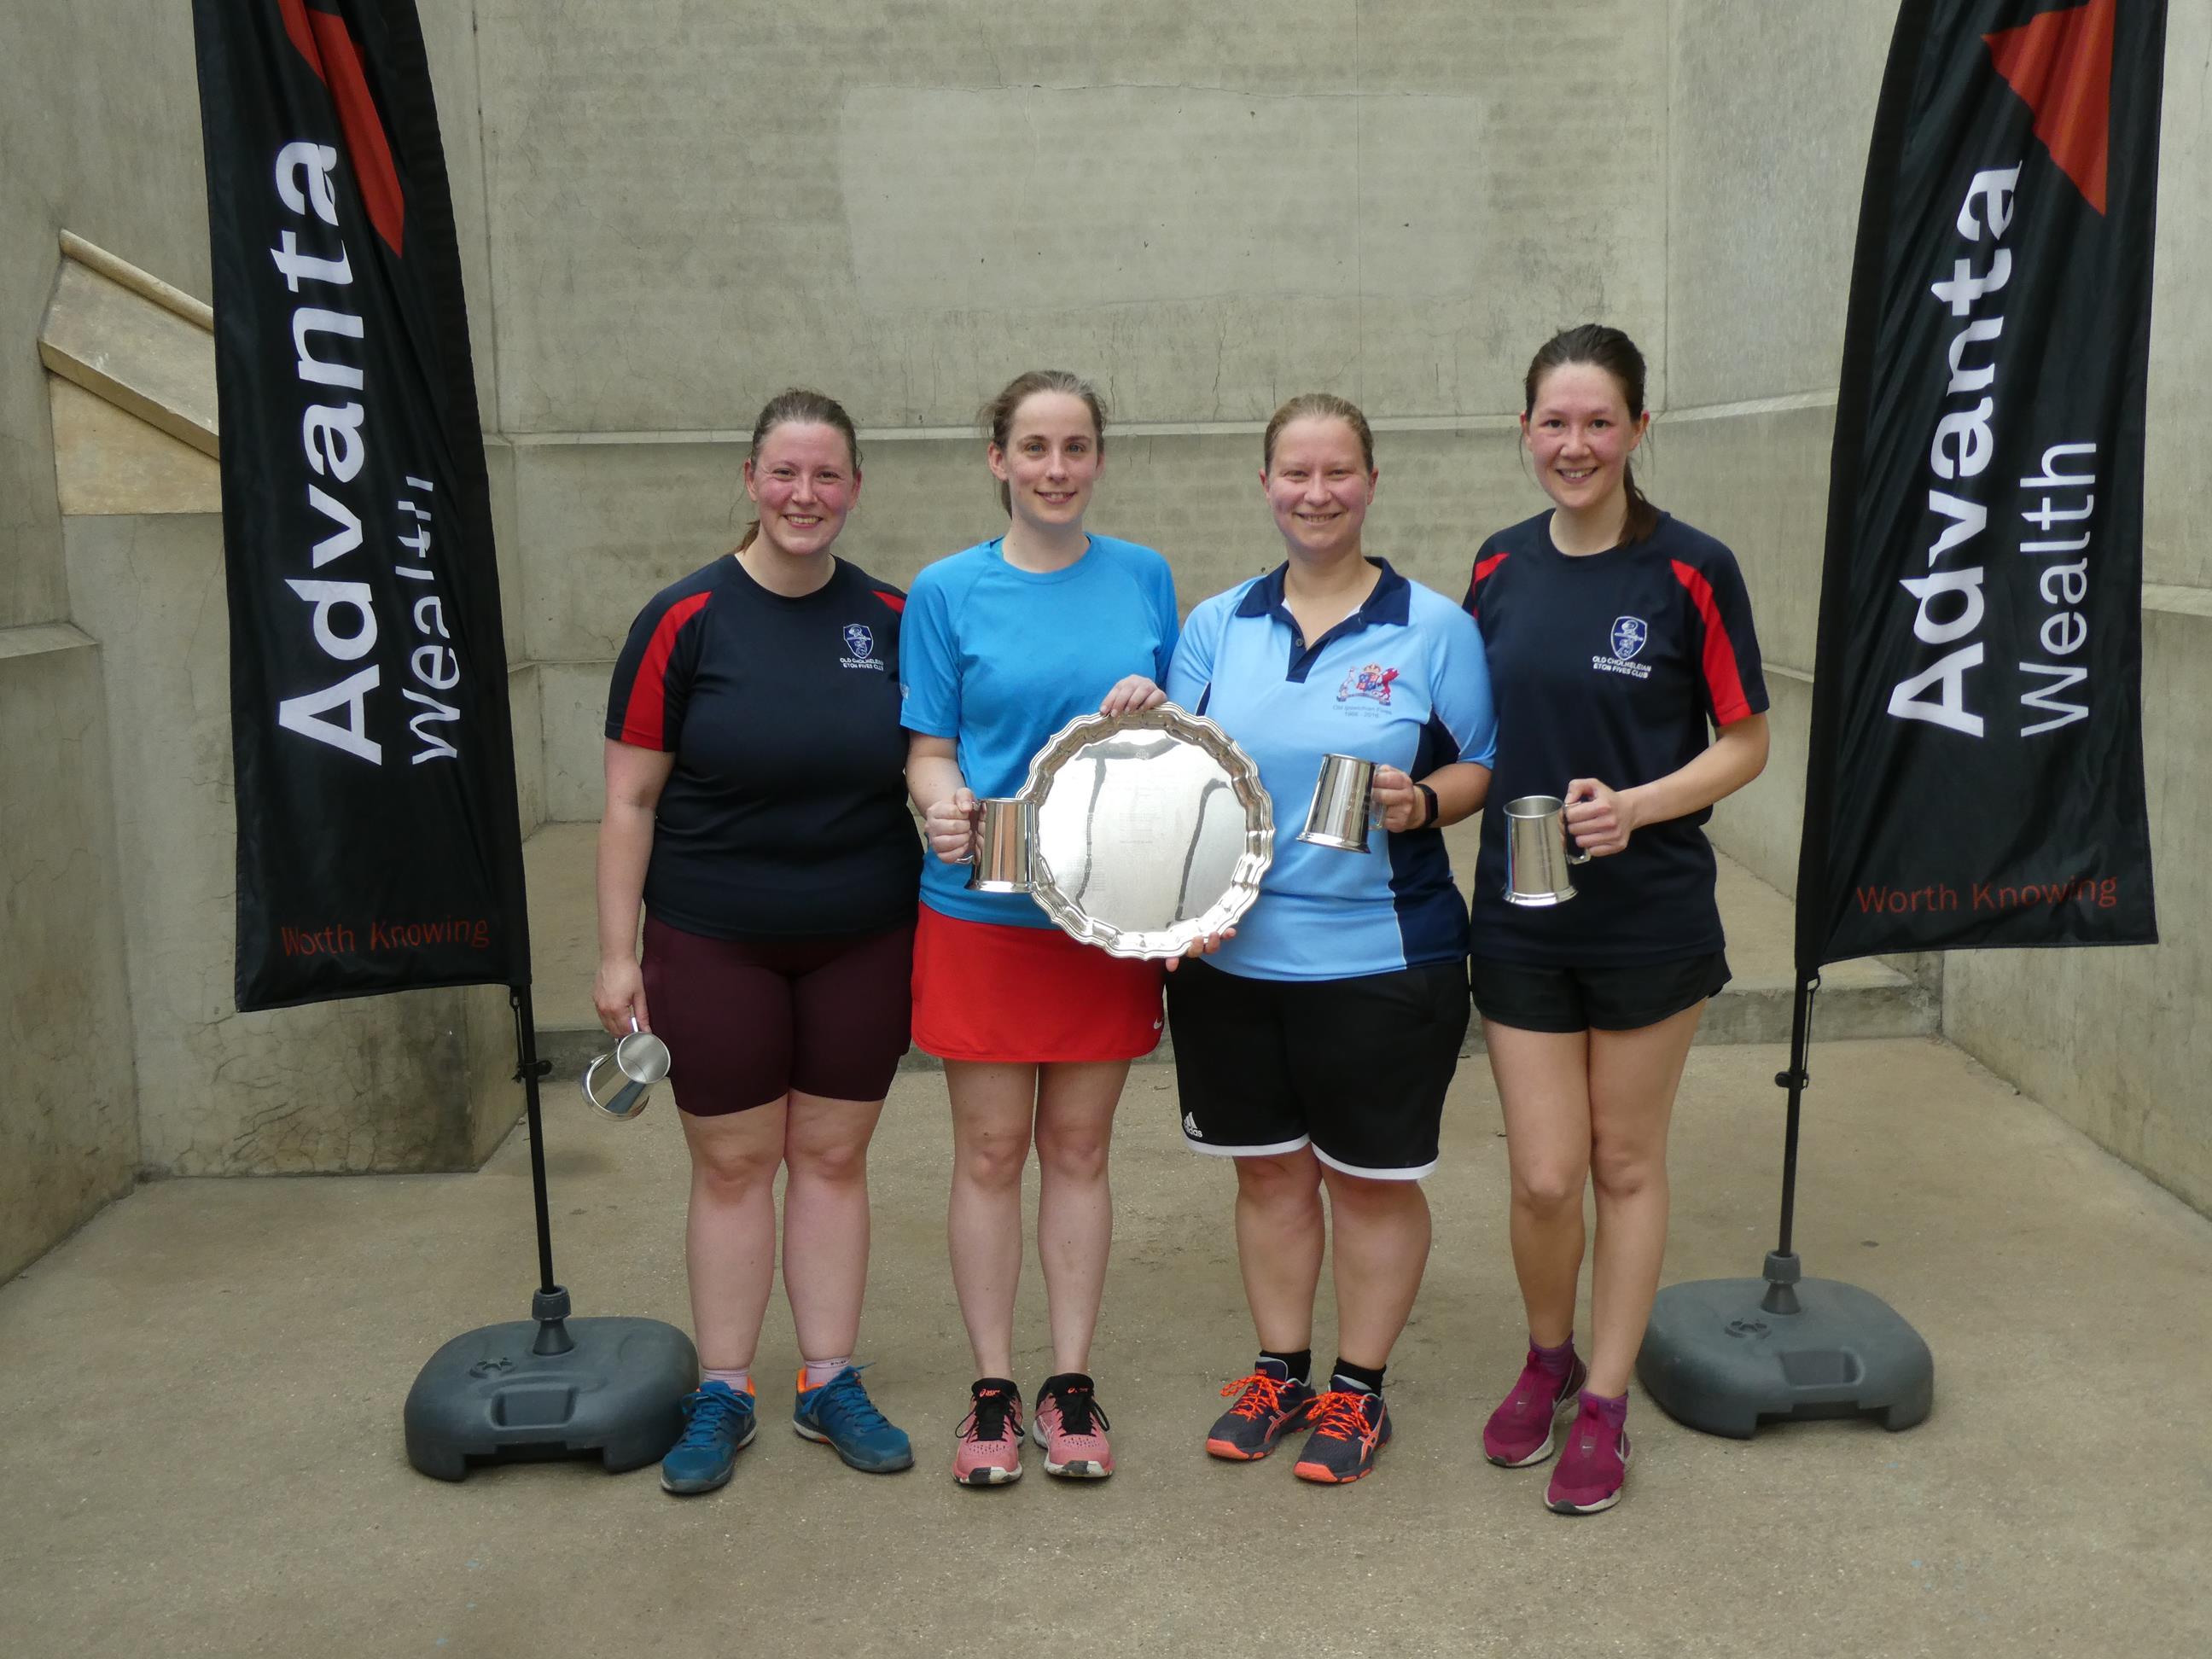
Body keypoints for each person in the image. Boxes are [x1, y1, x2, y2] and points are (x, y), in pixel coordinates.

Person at [1464, 324, 1770, 1515]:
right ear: (1526, 429)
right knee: (1545, 1177)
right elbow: (1474, 744)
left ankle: (1603, 1401)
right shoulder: (1494, 569)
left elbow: (1746, 743)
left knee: (1623, 1160)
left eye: (1600, 422)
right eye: (1555, 421)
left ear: (1640, 430)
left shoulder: (1693, 569)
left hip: (1647, 917)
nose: (1575, 444)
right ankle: (1545, 1361)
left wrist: (1638, 806)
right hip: (1521, 913)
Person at [1163, 393, 1497, 1485]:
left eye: (1338, 472)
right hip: (1234, 964)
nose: (1317, 493)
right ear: (1264, 484)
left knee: (1368, 1183)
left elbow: (1480, 768)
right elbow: (1179, 782)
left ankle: (1359, 1392)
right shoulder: (1216, 625)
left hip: (1384, 961)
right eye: (1295, 474)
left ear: (1370, 482)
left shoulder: (1434, 628)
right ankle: (1280, 1373)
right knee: (1267, 1179)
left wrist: (1424, 803)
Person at [596, 389, 922, 1495]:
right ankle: (725, 1388)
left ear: (855, 490)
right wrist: (615, 953)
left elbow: (939, 761)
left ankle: (827, 1379)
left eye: (827, 475)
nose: (805, 495)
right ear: (750, 480)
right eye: (785, 473)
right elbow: (630, 801)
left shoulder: (890, 617)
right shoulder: (684, 620)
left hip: (864, 937)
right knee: (736, 1167)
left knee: (832, 1158)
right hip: (713, 938)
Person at [901, 369, 1179, 1485]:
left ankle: (1070, 1383)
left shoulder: (1147, 579)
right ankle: (989, 1391)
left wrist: (1161, 713)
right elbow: (929, 745)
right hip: (982, 915)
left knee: (1078, 1148)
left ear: (1097, 459)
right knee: (989, 1150)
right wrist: (939, 805)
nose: (1055, 469)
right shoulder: (945, 591)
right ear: (998, 460)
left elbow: (1179, 740)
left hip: (1105, 915)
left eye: (1075, 448)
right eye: (1034, 448)